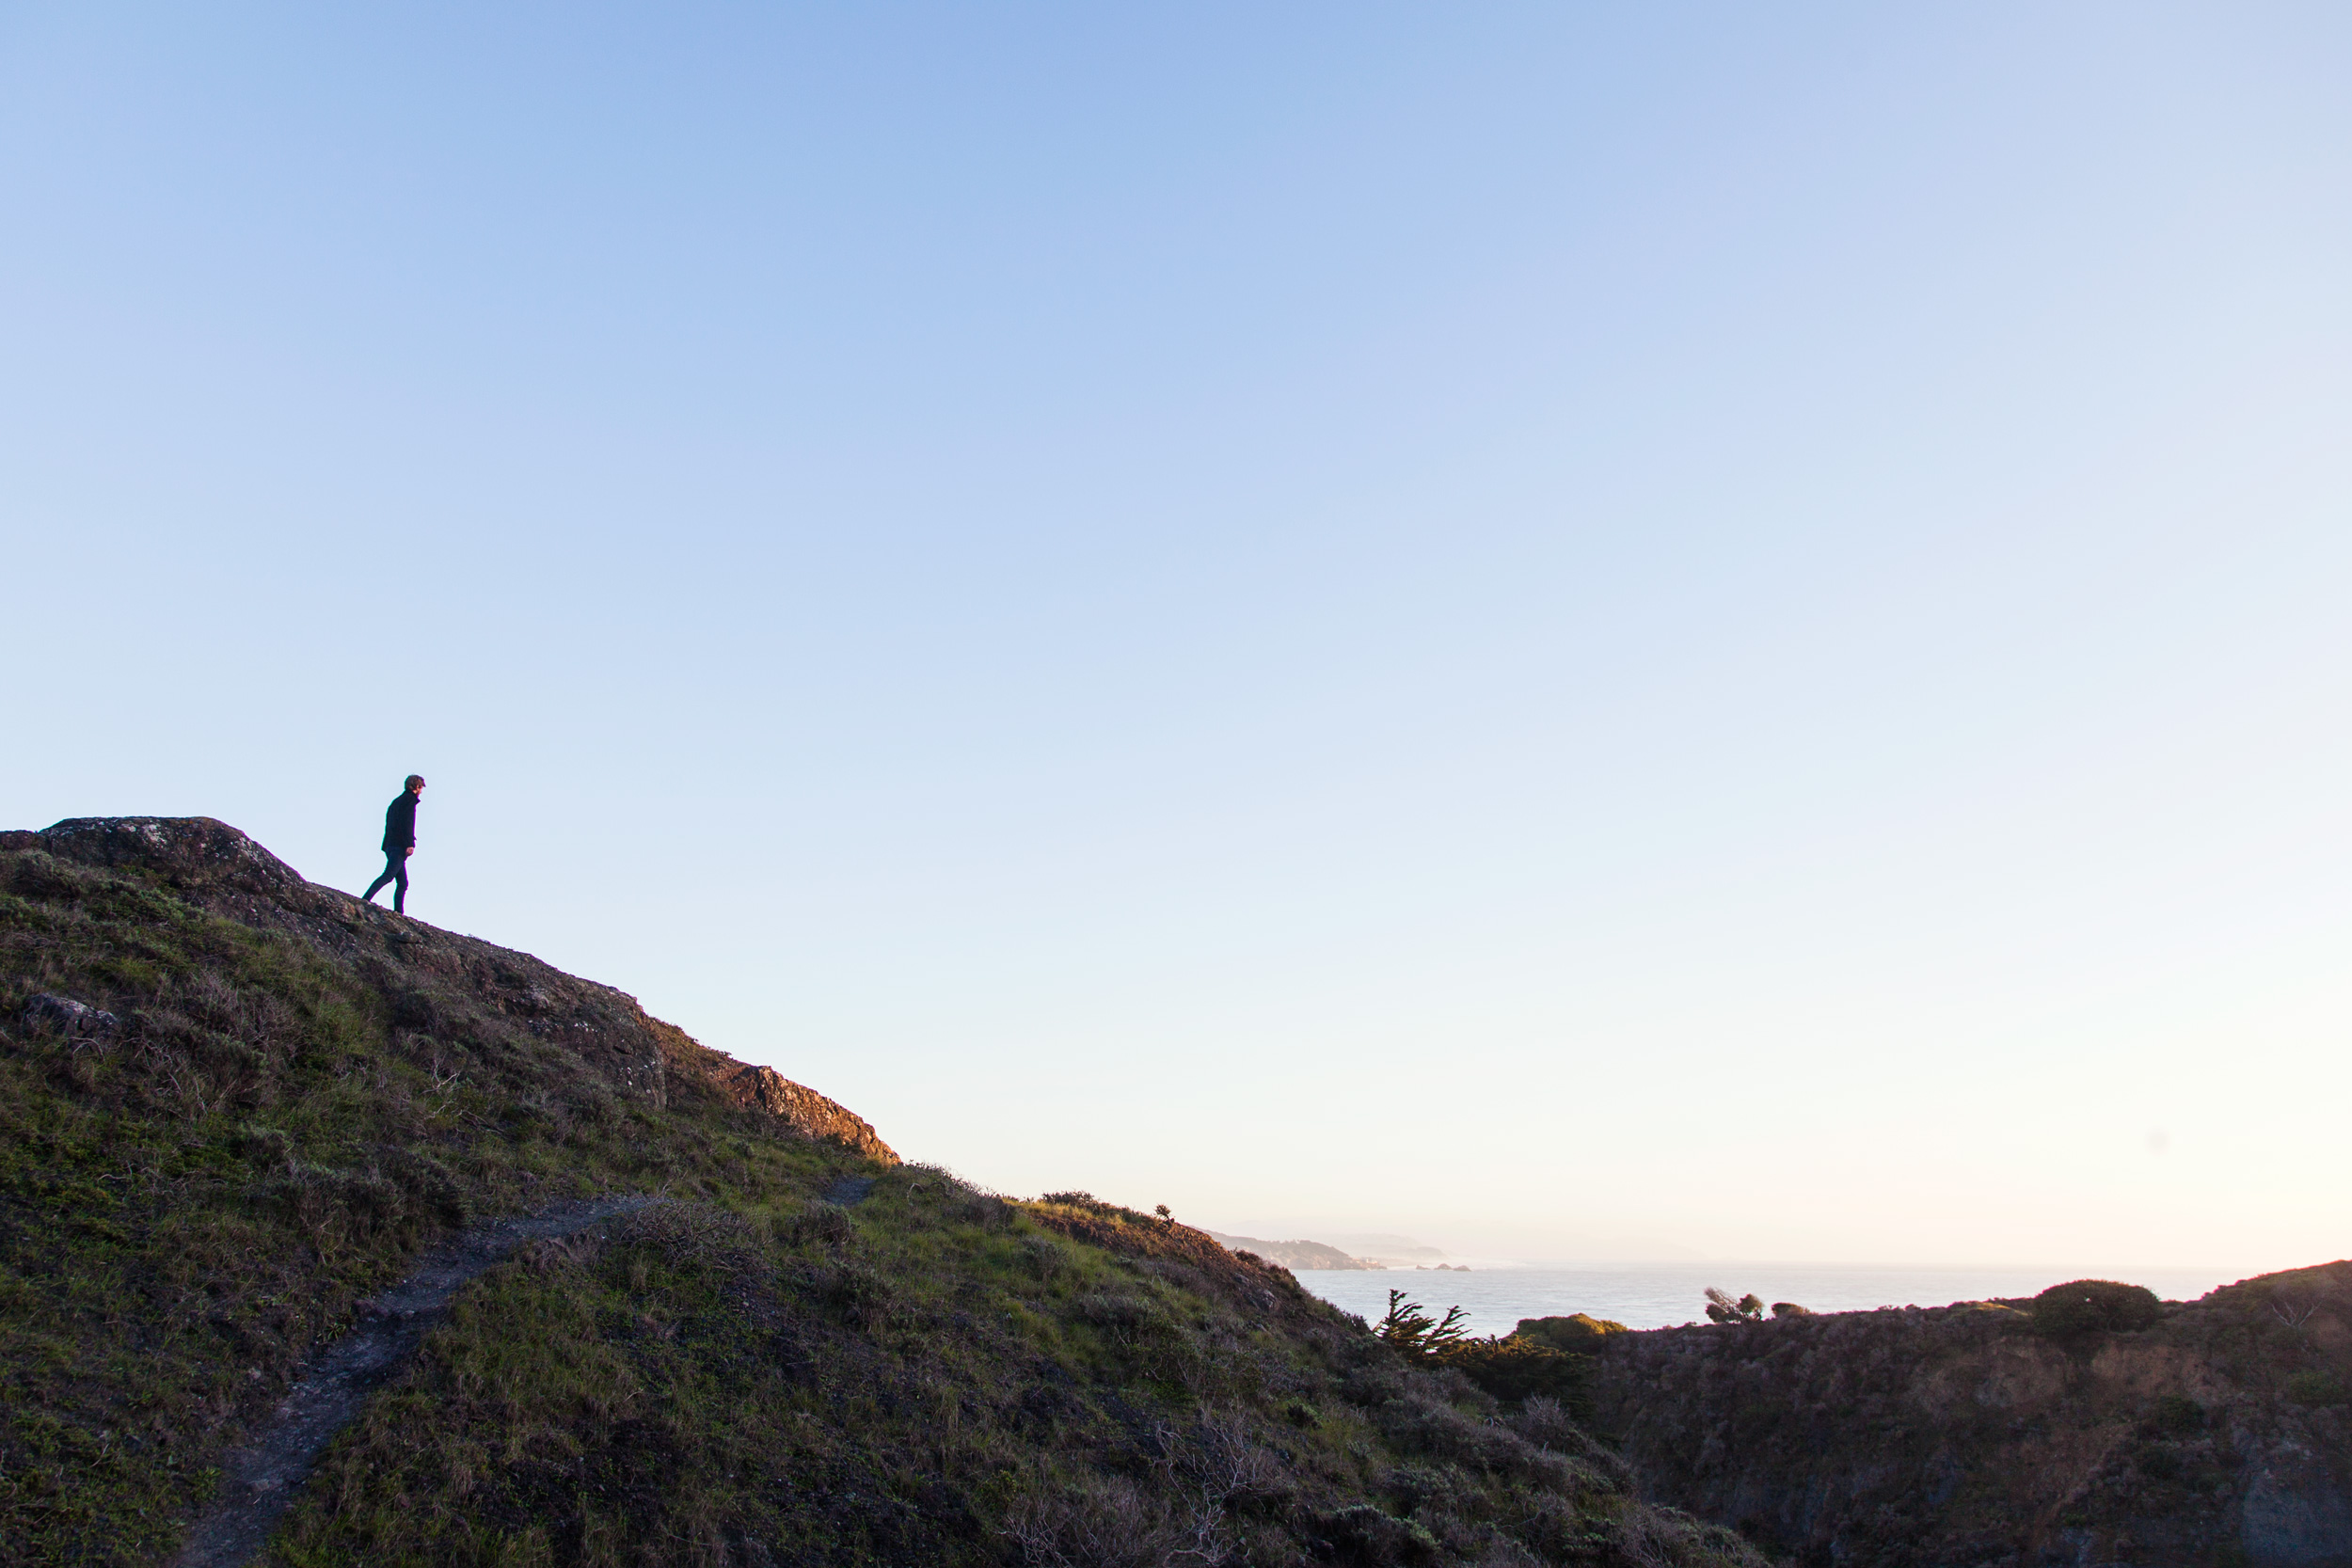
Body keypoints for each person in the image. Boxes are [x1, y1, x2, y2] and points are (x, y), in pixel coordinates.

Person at [361, 775, 426, 913]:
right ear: (416, 787)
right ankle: (365, 899)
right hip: (399, 846)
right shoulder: (410, 801)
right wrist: (409, 843)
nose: (421, 791)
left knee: (403, 883)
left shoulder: (395, 802)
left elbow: (389, 823)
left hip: (389, 844)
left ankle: (399, 912)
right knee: (388, 875)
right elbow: (408, 823)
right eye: (421, 788)